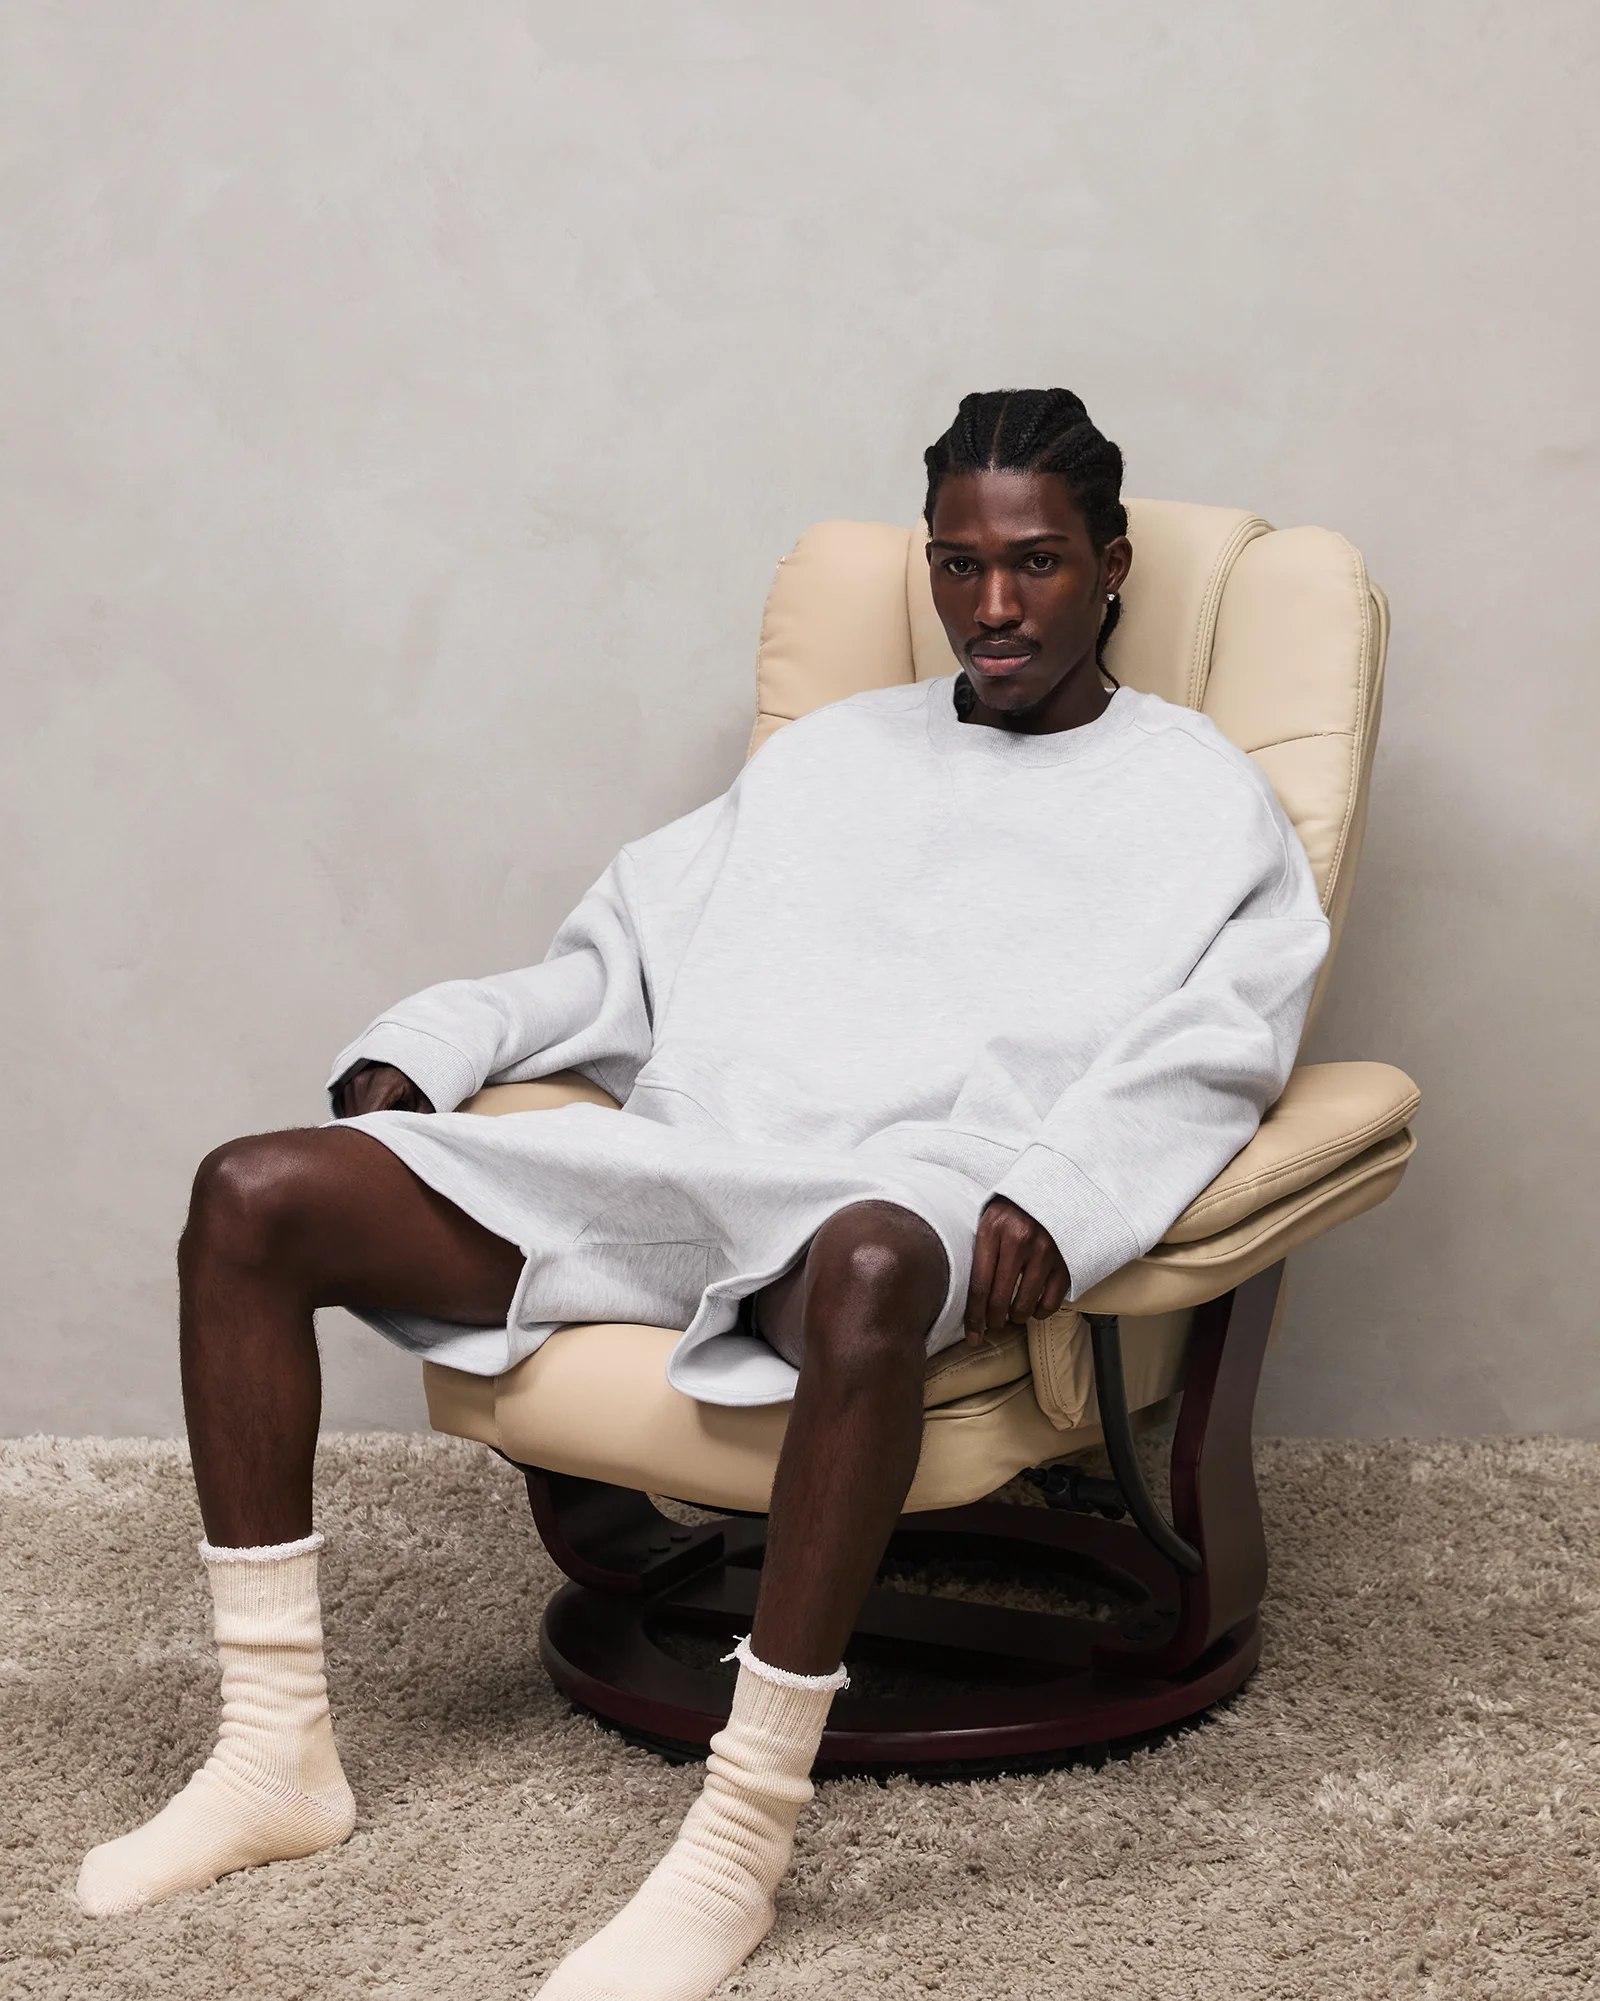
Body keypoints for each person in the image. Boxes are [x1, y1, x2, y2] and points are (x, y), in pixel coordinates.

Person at [76, 389, 1328, 2000]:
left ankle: (735, 1845)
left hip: (907, 1205)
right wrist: (431, 1046)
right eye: (958, 564)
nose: (995, 606)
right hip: (689, 1156)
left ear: (1115, 567)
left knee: (870, 1262)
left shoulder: (1199, 796)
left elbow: (1224, 1047)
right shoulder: (834, 756)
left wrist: (1066, 1185)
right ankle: (272, 1755)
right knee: (251, 1192)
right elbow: (619, 956)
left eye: (1037, 562)